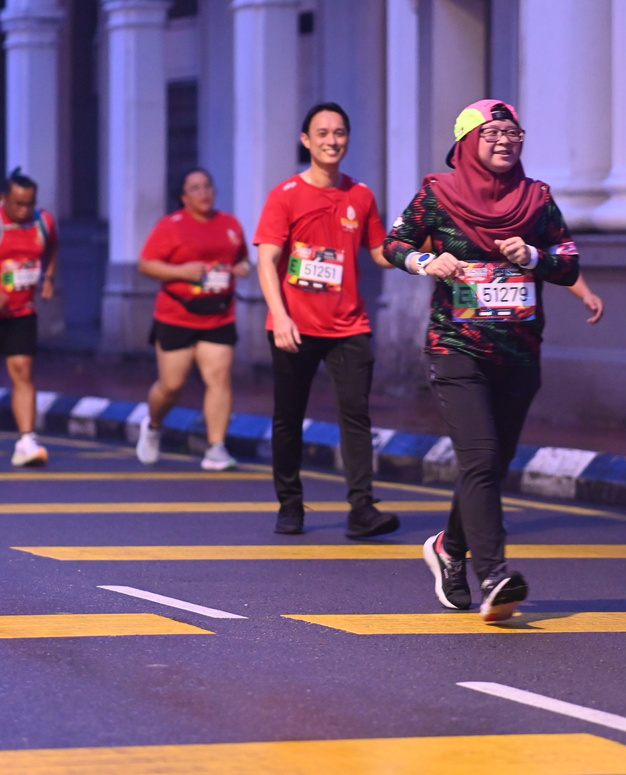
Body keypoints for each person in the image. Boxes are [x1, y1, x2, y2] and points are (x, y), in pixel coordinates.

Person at [383, 99, 579, 623]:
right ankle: (493, 576)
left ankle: (449, 547)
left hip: (519, 353)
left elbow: (568, 260)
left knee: (491, 463)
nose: (504, 141)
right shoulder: (438, 195)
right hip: (457, 348)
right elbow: (393, 243)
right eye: (492, 133)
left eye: (513, 133)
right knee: (481, 457)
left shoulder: (537, 199)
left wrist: (532, 256)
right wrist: (426, 260)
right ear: (467, 143)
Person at [254, 102, 400, 539]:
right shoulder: (285, 195)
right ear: (306, 141)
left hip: (349, 326)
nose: (331, 141)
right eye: (322, 133)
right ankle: (290, 503)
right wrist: (280, 317)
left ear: (347, 139)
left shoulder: (361, 195)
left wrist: (422, 250)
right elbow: (267, 261)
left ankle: (362, 509)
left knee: (356, 416)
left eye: (339, 133)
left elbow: (379, 252)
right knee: (288, 417)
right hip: (294, 326)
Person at [136, 168, 250, 470]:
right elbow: (146, 264)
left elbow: (240, 257)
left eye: (207, 186)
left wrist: (243, 267)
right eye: (195, 188)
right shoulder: (171, 226)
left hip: (218, 314)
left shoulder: (230, 224)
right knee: (172, 385)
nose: (204, 193)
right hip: (177, 314)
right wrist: (181, 272)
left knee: (219, 379)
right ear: (184, 197)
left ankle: (216, 448)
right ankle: (153, 426)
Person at [0, 168, 57, 467]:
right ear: (4, 199)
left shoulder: (42, 222)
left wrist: (48, 277)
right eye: (18, 204)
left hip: (21, 310)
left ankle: (26, 441)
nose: (24, 210)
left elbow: (52, 247)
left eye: (29, 204)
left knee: (22, 371)